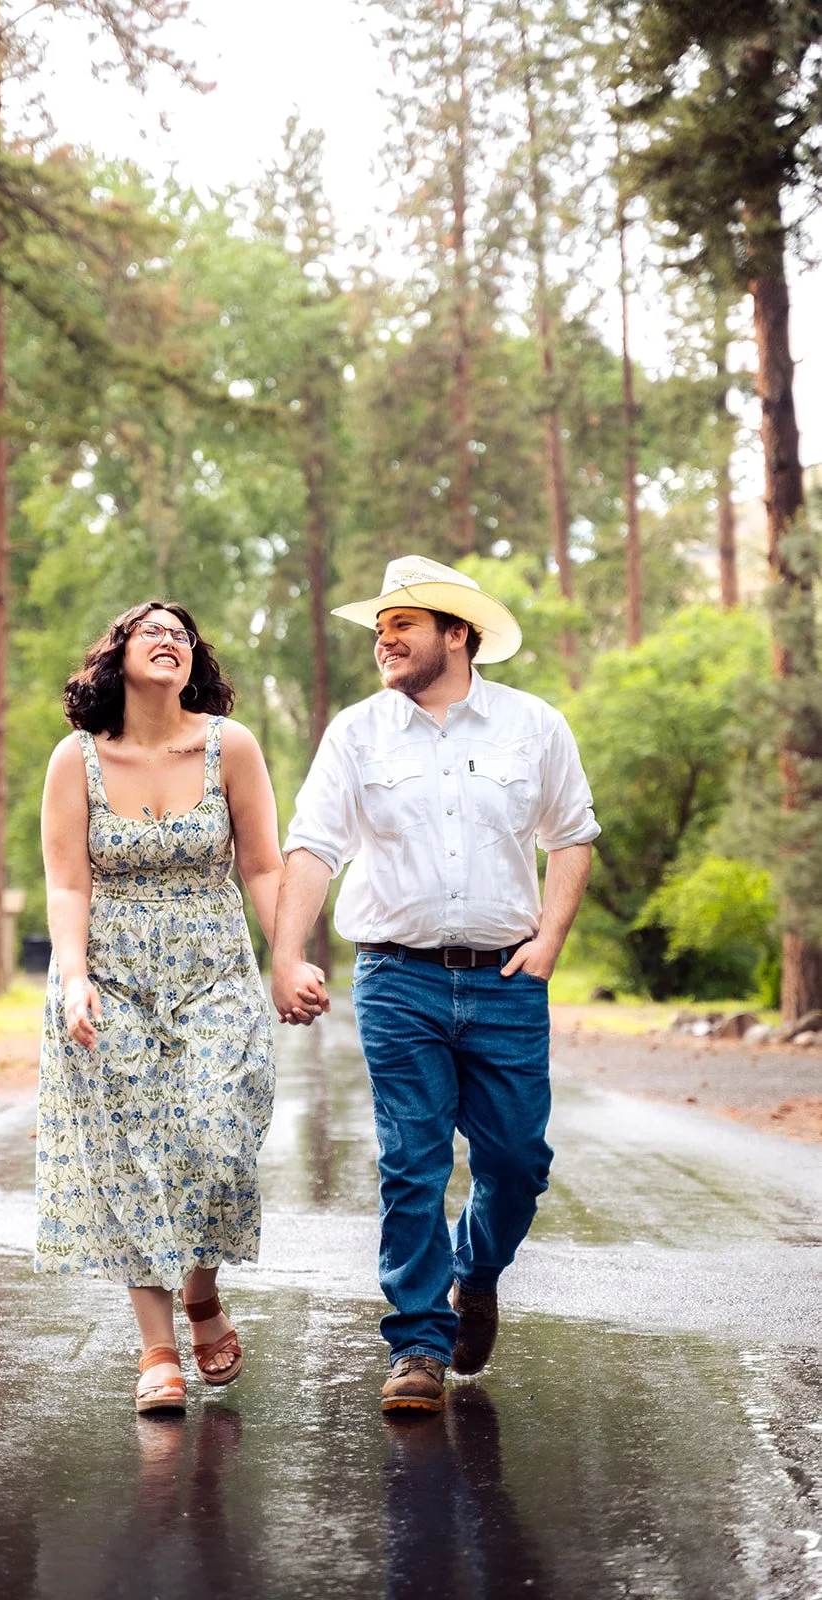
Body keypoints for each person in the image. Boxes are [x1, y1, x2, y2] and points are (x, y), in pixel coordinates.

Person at [271, 555, 599, 1414]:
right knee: (410, 1163)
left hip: (505, 977)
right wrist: (286, 952)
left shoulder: (533, 726)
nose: (382, 638)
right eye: (378, 626)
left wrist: (551, 941)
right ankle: (416, 1341)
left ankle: (475, 1271)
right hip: (395, 978)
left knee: (516, 1161)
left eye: (401, 624)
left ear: (457, 633)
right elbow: (311, 847)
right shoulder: (356, 734)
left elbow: (572, 834)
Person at [36, 601, 319, 1414]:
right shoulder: (76, 759)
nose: (170, 640)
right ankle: (156, 1344)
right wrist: (73, 976)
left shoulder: (230, 747)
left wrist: (287, 956)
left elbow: (264, 867)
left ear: (195, 660)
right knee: (131, 1155)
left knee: (219, 1135)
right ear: (116, 653)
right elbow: (66, 881)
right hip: (112, 977)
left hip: (212, 973)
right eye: (150, 630)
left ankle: (203, 1291)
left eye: (182, 634)